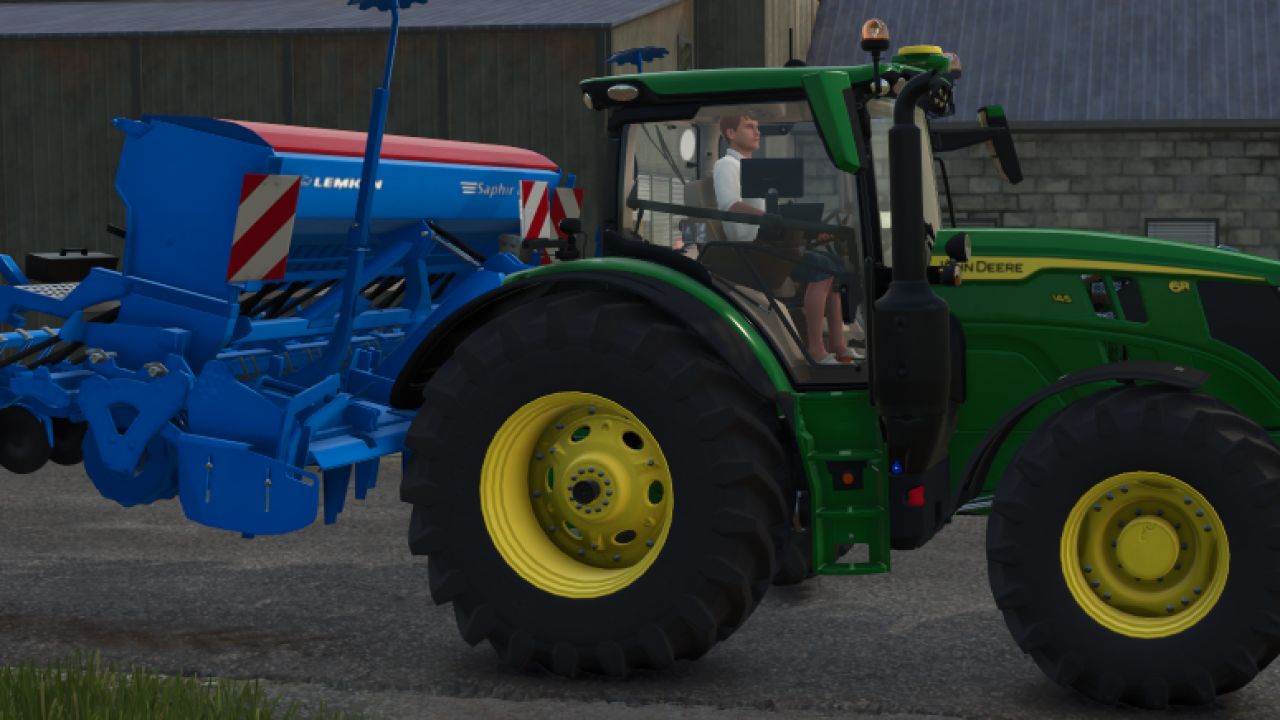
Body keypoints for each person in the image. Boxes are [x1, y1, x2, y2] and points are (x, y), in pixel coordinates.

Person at [712, 114, 857, 364]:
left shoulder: (754, 168)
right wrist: (767, 217)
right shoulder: (727, 165)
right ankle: (816, 350)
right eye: (749, 126)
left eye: (757, 126)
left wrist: (809, 231)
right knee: (821, 268)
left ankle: (839, 346)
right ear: (730, 133)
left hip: (769, 242)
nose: (757, 132)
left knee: (835, 267)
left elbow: (769, 213)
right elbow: (730, 205)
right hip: (750, 249)